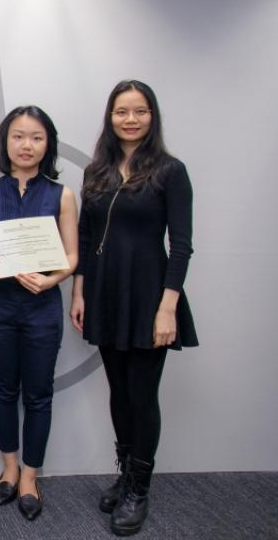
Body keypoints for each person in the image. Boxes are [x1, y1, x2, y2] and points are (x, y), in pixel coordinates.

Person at [70, 80, 197, 536]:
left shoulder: (170, 171)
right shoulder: (97, 172)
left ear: (152, 116)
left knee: (142, 397)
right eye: (121, 111)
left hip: (148, 296)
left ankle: (139, 489)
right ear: (110, 117)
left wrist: (168, 309)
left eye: (139, 111)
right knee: (119, 393)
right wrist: (79, 292)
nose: (130, 119)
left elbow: (180, 247)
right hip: (104, 293)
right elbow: (85, 237)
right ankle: (124, 474)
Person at [0, 106, 78, 521]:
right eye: (18, 136)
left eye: (36, 137)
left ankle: (31, 475)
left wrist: (52, 281)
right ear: (5, 142)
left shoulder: (62, 194)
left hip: (41, 307)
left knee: (39, 393)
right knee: (3, 388)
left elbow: (71, 257)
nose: (26, 145)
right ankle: (9, 468)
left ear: (47, 143)